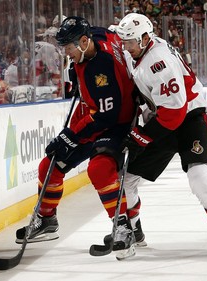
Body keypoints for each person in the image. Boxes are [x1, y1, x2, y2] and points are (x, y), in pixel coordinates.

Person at [115, 13, 207, 255]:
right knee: (126, 178)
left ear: (146, 38)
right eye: (124, 41)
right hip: (163, 117)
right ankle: (134, 229)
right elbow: (114, 34)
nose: (125, 47)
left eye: (129, 42)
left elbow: (174, 114)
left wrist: (140, 136)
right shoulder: (141, 45)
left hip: (189, 117)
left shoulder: (158, 63)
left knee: (200, 176)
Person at [15, 16, 138, 256]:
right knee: (49, 165)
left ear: (83, 42)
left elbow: (105, 117)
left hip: (115, 124)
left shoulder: (101, 69)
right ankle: (47, 220)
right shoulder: (97, 36)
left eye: (68, 48)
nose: (66, 53)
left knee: (100, 169)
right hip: (94, 116)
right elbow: (107, 31)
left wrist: (70, 135)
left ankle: (123, 227)